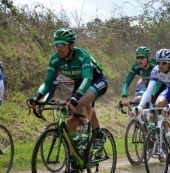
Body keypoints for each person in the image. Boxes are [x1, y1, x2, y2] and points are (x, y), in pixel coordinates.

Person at [26, 28, 108, 163]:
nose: (59, 48)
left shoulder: (83, 55)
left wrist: (76, 97)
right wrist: (36, 98)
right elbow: (47, 83)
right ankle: (73, 159)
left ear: (71, 45)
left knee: (82, 102)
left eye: (62, 45)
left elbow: (87, 79)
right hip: (79, 84)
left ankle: (99, 134)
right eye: (56, 45)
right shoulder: (55, 59)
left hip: (96, 81)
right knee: (70, 121)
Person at [132, 48, 170, 172]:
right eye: (158, 62)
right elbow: (149, 90)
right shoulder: (156, 70)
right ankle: (168, 133)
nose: (160, 65)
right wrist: (140, 106)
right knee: (158, 104)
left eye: (163, 63)